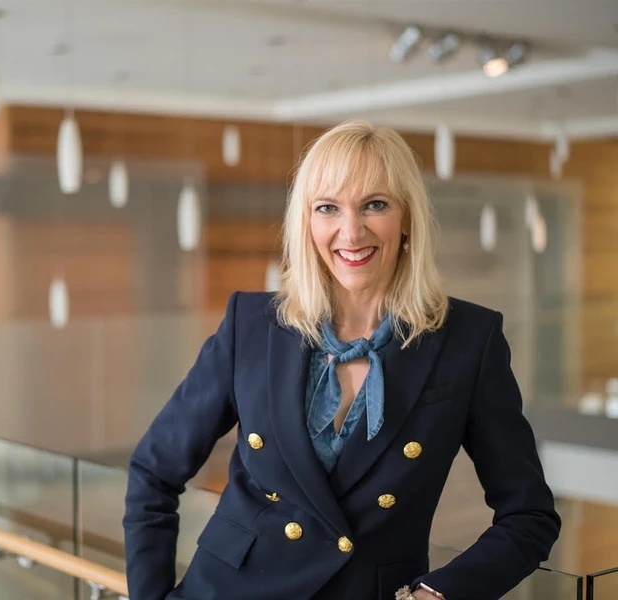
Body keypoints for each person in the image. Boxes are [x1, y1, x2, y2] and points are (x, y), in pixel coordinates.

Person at [123, 120, 561, 600]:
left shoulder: (468, 340)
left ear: (407, 217)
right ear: (306, 222)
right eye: (328, 208)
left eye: (375, 204)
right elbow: (153, 471)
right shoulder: (250, 324)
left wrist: (439, 593)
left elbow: (529, 516)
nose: (350, 232)